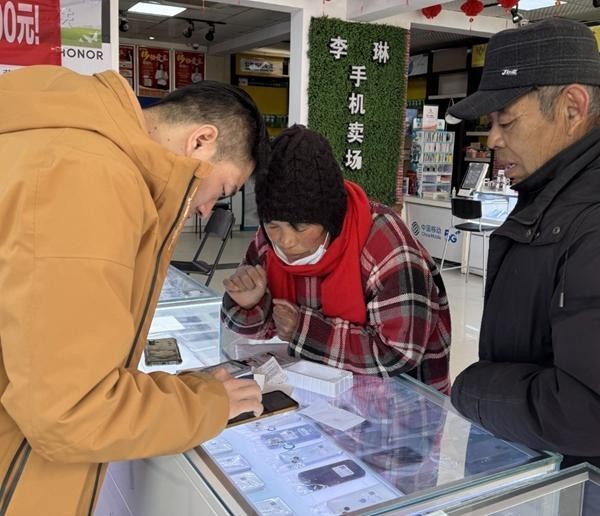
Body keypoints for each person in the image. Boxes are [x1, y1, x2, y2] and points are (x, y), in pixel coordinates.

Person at [0, 66, 268, 514]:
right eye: (222, 189)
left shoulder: (57, 140)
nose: (206, 209)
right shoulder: (90, 175)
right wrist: (205, 404)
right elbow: (71, 411)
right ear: (200, 140)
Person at [446, 18, 600, 468]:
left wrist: (473, 390)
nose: (492, 138)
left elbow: (587, 408)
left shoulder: (590, 219)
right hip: (535, 463)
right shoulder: (552, 196)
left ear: (573, 107)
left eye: (506, 120)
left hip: (573, 485)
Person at [222, 125, 451, 391]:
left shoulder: (385, 244)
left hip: (400, 402)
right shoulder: (266, 241)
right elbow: (255, 331)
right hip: (320, 392)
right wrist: (249, 305)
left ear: (330, 219)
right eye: (274, 225)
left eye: (300, 227)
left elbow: (398, 353)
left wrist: (303, 329)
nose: (285, 241)